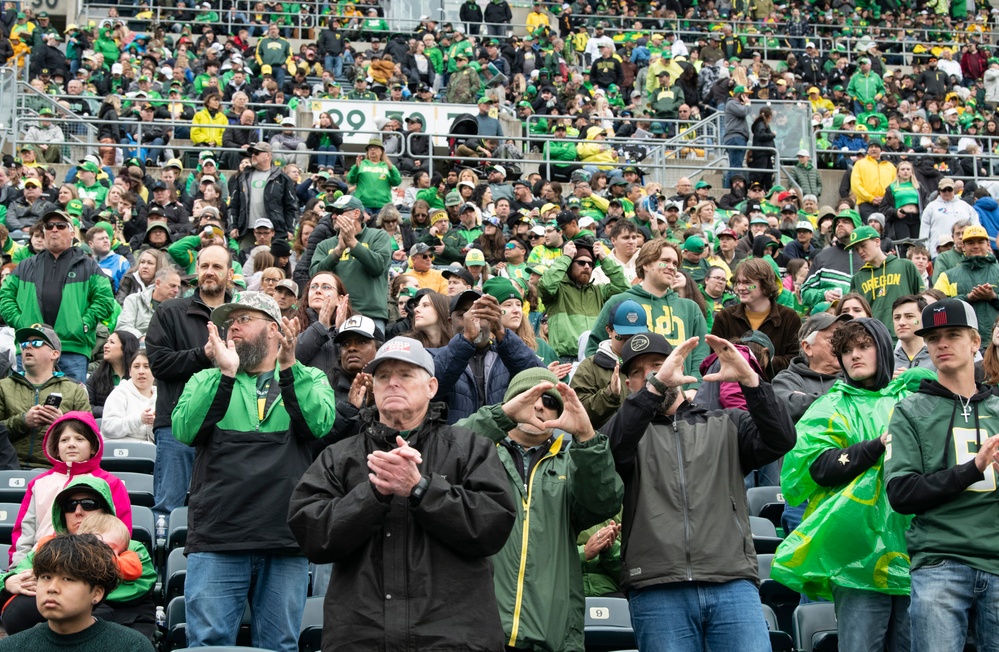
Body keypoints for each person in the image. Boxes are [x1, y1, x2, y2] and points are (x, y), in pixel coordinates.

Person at [288, 336, 516, 651]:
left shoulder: (471, 448)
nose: (393, 383)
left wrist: (421, 489)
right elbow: (312, 534)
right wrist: (372, 495)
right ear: (373, 387)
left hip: (454, 638)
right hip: (362, 638)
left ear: (432, 386)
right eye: (383, 376)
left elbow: (492, 526)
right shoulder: (337, 456)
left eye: (406, 375)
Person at [606, 332, 796, 651]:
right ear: (629, 386)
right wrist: (655, 389)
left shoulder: (725, 423)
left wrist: (751, 379)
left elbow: (781, 439)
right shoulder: (623, 432)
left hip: (731, 581)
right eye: (637, 373)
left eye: (658, 365)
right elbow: (607, 451)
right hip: (656, 586)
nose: (651, 376)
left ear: (679, 367)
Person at [172, 292, 336, 652]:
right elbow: (184, 431)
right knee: (209, 645)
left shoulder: (310, 377)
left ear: (274, 330)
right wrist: (225, 375)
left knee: (279, 645)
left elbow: (318, 425)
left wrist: (291, 370)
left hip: (284, 540)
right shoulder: (206, 379)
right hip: (218, 538)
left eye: (244, 319)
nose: (233, 327)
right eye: (230, 322)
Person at [774, 318, 932, 652]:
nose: (854, 356)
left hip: (914, 552)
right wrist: (876, 445)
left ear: (884, 350)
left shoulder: (915, 397)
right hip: (856, 558)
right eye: (846, 350)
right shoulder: (831, 405)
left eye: (864, 347)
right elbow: (817, 467)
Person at [455, 369, 623, 650]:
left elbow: (604, 503)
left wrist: (586, 436)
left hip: (549, 636)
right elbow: (442, 455)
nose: (539, 405)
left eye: (550, 401)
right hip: (478, 633)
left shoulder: (573, 461)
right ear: (510, 403)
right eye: (528, 396)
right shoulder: (479, 453)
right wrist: (500, 417)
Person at [885, 299, 999, 652]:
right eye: (933, 338)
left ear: (975, 342)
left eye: (953, 334)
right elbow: (901, 494)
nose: (942, 344)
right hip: (940, 562)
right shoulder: (908, 411)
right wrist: (973, 468)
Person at [0, 477, 156, 640]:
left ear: (105, 510)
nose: (78, 511)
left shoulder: (131, 547)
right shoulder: (49, 546)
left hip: (119, 622)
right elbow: (20, 575)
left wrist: (76, 593)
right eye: (70, 506)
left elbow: (142, 585)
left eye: (88, 504)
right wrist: (7, 582)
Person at [145, 244, 233, 518]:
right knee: (168, 508)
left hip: (229, 424)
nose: (210, 272)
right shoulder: (170, 312)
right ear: (196, 271)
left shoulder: (240, 317)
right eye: (205, 266)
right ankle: (161, 560)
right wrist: (204, 354)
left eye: (217, 267)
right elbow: (159, 365)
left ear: (229, 274)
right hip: (175, 424)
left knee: (222, 509)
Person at [0, 210, 116, 383]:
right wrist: (20, 322)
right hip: (30, 346)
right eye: (49, 226)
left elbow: (105, 300)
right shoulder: (25, 266)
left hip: (72, 348)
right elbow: (5, 297)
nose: (54, 229)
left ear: (72, 233)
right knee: (28, 405)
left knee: (71, 407)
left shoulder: (89, 267)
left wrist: (83, 324)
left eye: (60, 225)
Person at [586, 239, 709, 399]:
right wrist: (620, 385)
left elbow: (701, 353)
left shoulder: (690, 308)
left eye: (675, 263)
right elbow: (595, 349)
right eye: (665, 261)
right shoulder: (619, 302)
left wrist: (694, 388)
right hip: (632, 399)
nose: (672, 267)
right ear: (645, 264)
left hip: (680, 399)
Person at [7, 411, 132, 568]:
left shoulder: (111, 483)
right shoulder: (38, 483)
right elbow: (24, 535)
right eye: (64, 440)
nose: (71, 444)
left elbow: (122, 532)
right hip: (39, 564)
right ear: (56, 448)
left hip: (92, 566)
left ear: (93, 446)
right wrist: (17, 570)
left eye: (80, 439)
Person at [0, 533, 155, 651]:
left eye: (68, 579)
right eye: (46, 577)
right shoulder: (11, 648)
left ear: (97, 593)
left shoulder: (132, 646)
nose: (52, 588)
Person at [430, 289, 545, 424]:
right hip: (453, 442)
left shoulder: (508, 355)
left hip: (503, 442)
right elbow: (429, 392)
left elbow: (541, 383)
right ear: (450, 322)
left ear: (491, 320)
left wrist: (502, 332)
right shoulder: (432, 356)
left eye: (481, 314)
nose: (473, 321)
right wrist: (466, 339)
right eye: (463, 315)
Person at [0, 325, 91, 469]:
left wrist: (62, 424)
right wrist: (23, 421)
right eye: (24, 344)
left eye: (36, 343)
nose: (28, 347)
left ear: (54, 354)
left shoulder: (75, 391)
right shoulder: (3, 386)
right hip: (6, 466)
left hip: (56, 470)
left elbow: (89, 439)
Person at [540, 237, 629, 362]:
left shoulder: (599, 291)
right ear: (570, 265)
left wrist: (605, 259)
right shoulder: (557, 290)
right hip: (565, 361)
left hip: (594, 358)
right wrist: (566, 257)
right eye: (581, 263)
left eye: (591, 264)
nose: (587, 266)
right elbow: (546, 285)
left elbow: (624, 289)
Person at [311, 195, 393, 330]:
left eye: (339, 212)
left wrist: (352, 243)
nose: (333, 216)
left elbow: (379, 266)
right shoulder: (325, 245)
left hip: (370, 314)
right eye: (332, 213)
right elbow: (314, 276)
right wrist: (337, 252)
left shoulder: (378, 236)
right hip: (333, 314)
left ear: (356, 213)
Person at [711, 258, 802, 380]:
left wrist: (766, 360)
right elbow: (714, 357)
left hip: (776, 390)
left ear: (765, 284)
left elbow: (796, 360)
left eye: (747, 282)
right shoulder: (725, 317)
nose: (740, 288)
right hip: (733, 391)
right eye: (738, 282)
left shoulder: (789, 318)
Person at [570, 299, 649, 429]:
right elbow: (577, 413)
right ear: (609, 330)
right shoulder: (590, 367)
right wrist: (609, 395)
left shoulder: (652, 363)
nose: (629, 342)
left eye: (636, 336)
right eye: (623, 337)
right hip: (606, 444)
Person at [845, 225, 923, 340]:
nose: (860, 251)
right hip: (874, 337)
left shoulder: (905, 266)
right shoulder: (857, 278)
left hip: (907, 334)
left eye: (863, 246)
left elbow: (921, 299)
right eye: (857, 249)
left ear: (877, 241)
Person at [933, 224, 999, 347]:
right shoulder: (947, 276)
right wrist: (967, 298)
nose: (976, 246)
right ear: (963, 246)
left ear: (988, 244)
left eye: (980, 242)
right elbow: (936, 307)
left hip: (996, 343)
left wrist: (993, 297)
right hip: (962, 344)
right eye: (970, 243)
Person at [229, 142, 299, 248]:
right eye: (252, 153)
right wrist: (233, 226)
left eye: (257, 153)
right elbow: (234, 204)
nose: (253, 155)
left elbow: (291, 207)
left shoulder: (282, 178)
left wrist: (290, 229)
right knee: (246, 262)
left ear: (269, 155)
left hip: (274, 231)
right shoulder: (243, 177)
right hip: (248, 231)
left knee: (273, 263)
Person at [800, 209, 864, 311]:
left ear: (858, 227)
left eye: (846, 222)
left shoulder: (867, 258)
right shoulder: (822, 257)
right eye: (837, 223)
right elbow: (804, 293)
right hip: (829, 322)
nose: (840, 225)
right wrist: (824, 294)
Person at [101, 350, 156, 444]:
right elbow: (108, 428)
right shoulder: (119, 393)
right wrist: (139, 419)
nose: (141, 371)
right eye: (136, 366)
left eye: (146, 366)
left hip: (149, 452)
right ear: (130, 371)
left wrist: (153, 426)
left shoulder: (161, 397)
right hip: (118, 449)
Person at [117, 266, 182, 340]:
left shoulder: (178, 308)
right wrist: (143, 338)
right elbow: (123, 327)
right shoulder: (134, 300)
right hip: (136, 345)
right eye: (173, 286)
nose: (176, 290)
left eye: (178, 287)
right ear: (158, 283)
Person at [85, 331, 139, 418]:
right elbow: (87, 407)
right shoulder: (96, 377)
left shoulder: (139, 376)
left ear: (125, 348)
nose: (105, 346)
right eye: (107, 342)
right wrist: (111, 412)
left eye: (112, 342)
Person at [920, 178, 978, 258]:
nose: (947, 192)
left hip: (964, 251)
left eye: (950, 189)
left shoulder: (965, 206)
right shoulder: (931, 207)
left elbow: (976, 226)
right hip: (938, 252)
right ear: (939, 191)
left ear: (954, 190)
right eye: (944, 190)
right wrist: (926, 249)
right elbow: (924, 232)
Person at [347, 138, 401, 217]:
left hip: (383, 205)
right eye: (370, 148)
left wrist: (392, 169)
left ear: (381, 151)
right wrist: (356, 168)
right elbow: (350, 180)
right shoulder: (361, 164)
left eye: (375, 147)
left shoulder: (388, 165)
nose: (372, 150)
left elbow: (397, 181)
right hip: (363, 205)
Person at [893, 295, 935, 372]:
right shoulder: (886, 361)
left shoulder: (937, 357)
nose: (901, 322)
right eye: (897, 318)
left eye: (909, 316)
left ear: (923, 319)